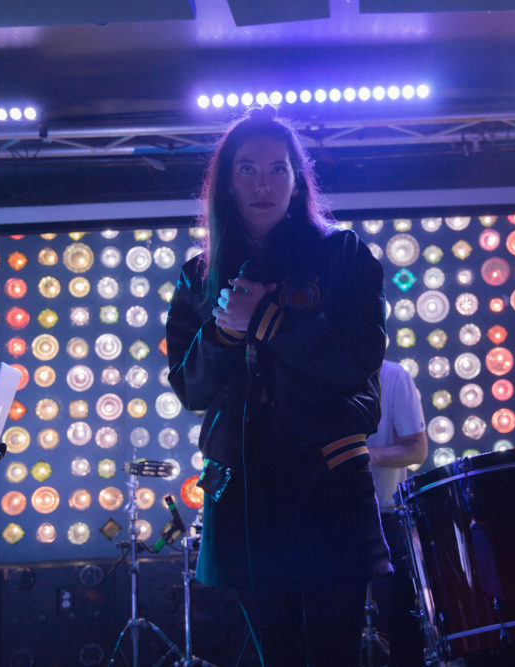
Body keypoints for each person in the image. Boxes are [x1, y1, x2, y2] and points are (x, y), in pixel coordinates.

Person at [165, 105, 392, 667]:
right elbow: (191, 391)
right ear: (226, 183)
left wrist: (265, 323)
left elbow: (356, 360)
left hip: (328, 481)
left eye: (277, 169)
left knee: (335, 652)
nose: (262, 184)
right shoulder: (199, 276)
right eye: (247, 170)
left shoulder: (344, 255)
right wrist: (222, 332)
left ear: (297, 180)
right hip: (243, 492)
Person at [366, 359, 428, 667]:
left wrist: (360, 456)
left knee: (400, 619)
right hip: (325, 518)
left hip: (385, 515)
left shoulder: (393, 376)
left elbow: (416, 450)